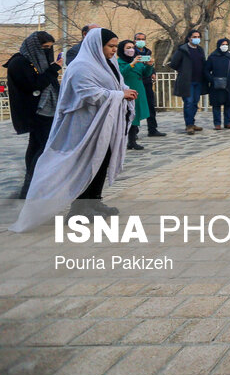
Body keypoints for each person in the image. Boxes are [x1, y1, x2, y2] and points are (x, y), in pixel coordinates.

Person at [11, 28, 137, 230]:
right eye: (111, 46)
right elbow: (87, 93)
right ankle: (79, 209)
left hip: (104, 123)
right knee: (85, 163)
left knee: (101, 161)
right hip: (84, 124)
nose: (115, 50)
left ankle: (94, 201)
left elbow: (116, 85)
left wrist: (123, 91)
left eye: (115, 46)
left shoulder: (107, 64)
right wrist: (119, 96)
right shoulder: (81, 66)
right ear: (98, 45)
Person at [3, 31, 62, 198]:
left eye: (49, 48)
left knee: (37, 146)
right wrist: (54, 68)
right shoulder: (20, 63)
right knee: (44, 147)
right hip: (35, 112)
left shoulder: (40, 62)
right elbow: (34, 85)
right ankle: (32, 185)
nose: (47, 51)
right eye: (44, 48)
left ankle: (30, 186)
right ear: (34, 47)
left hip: (47, 111)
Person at [117, 39, 153, 150]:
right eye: (128, 48)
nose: (131, 50)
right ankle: (125, 140)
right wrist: (131, 64)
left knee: (135, 115)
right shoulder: (119, 62)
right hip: (127, 90)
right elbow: (121, 73)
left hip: (139, 89)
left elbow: (145, 73)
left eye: (132, 47)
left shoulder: (137, 61)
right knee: (126, 116)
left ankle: (132, 140)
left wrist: (149, 66)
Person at [169, 29, 206, 135]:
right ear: (189, 38)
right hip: (187, 81)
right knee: (189, 103)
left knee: (195, 103)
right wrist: (184, 70)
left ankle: (192, 122)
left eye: (198, 37)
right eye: (194, 37)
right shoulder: (182, 50)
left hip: (198, 80)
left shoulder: (200, 50)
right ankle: (189, 125)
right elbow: (174, 63)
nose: (196, 39)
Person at [133, 32, 165, 137]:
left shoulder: (147, 52)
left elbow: (151, 65)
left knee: (150, 105)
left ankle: (152, 129)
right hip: (136, 81)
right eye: (138, 39)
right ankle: (134, 132)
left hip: (147, 82)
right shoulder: (131, 52)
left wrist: (153, 73)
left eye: (143, 39)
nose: (140, 41)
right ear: (134, 40)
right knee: (135, 106)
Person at [204, 38, 230, 130]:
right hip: (216, 84)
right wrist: (212, 80)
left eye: (226, 44)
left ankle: (227, 122)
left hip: (229, 84)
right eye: (223, 44)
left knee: (228, 104)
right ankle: (217, 123)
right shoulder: (213, 57)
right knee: (216, 105)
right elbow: (206, 70)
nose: (225, 46)